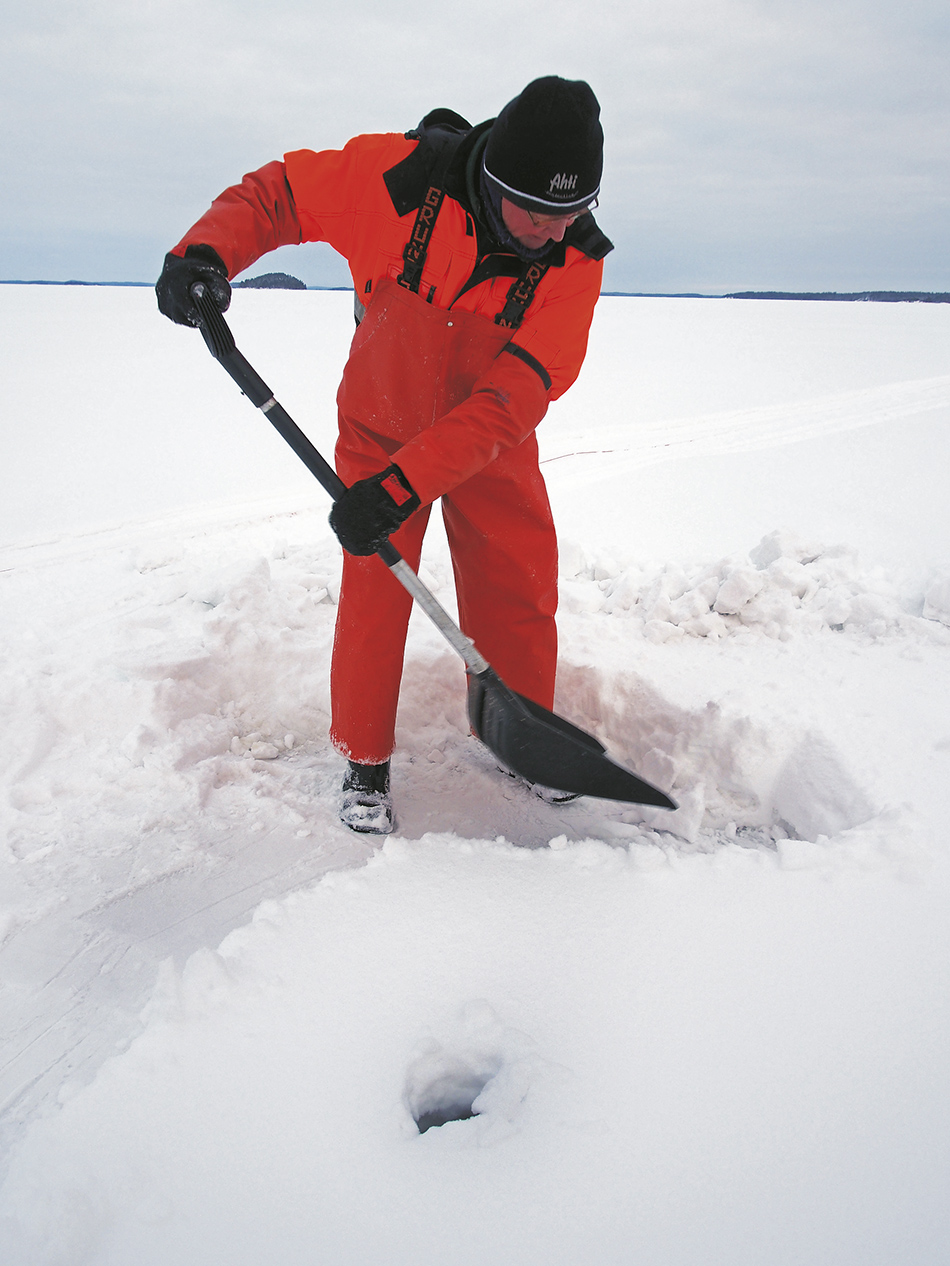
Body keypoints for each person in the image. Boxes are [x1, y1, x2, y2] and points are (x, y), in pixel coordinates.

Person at [156, 75, 612, 835]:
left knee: (518, 580)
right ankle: (363, 759)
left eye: (572, 213)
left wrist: (411, 483)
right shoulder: (395, 181)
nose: (552, 232)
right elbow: (281, 194)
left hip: (487, 435)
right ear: (496, 182)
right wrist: (205, 251)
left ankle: (523, 740)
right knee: (375, 585)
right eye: (538, 212)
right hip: (381, 422)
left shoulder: (574, 259)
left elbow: (512, 399)